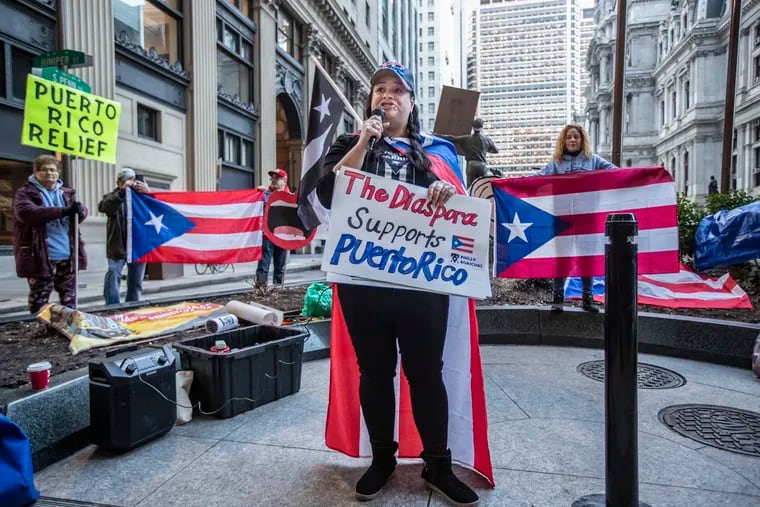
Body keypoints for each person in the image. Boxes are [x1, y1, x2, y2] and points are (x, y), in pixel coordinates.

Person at [316, 61, 481, 506]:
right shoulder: (352, 142)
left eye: (397, 90)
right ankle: (383, 460)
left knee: (426, 373)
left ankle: (438, 466)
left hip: (421, 284)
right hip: (362, 281)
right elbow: (331, 193)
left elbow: (459, 212)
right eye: (379, 90)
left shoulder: (437, 153)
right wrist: (366, 137)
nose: (386, 96)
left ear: (411, 102)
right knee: (374, 373)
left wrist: (447, 195)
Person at [536, 124, 617, 314]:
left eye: (576, 137)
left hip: (587, 218)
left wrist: (639, 175)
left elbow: (616, 172)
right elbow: (537, 179)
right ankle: (558, 298)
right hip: (561, 218)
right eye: (569, 137)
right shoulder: (556, 163)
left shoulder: (594, 161)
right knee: (561, 258)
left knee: (586, 258)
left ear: (582, 140)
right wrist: (511, 184)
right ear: (563, 141)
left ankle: (587, 298)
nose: (572, 140)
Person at [13, 154, 88, 313]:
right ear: (36, 172)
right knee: (40, 298)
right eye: (45, 170)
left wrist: (80, 212)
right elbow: (27, 213)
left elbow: (79, 214)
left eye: (53, 170)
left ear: (58, 173)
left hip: (67, 255)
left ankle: (69, 328)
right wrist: (63, 211)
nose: (50, 173)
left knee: (69, 297)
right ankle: (39, 328)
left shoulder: (66, 193)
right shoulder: (25, 193)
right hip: (40, 256)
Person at [98, 168, 151, 305]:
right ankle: (112, 306)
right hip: (117, 245)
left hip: (138, 246)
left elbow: (158, 208)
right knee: (113, 275)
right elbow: (104, 207)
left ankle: (132, 306)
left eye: (134, 180)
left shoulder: (143, 198)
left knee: (136, 281)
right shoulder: (113, 197)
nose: (131, 184)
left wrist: (148, 193)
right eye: (127, 180)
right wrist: (122, 192)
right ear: (119, 182)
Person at [255, 169, 290, 290]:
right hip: (267, 235)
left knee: (280, 265)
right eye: (272, 178)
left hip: (282, 236)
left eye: (277, 178)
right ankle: (260, 288)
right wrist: (257, 193)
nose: (273, 180)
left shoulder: (291, 197)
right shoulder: (263, 194)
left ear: (284, 181)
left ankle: (277, 288)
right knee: (263, 263)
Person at [437, 118, 498, 186]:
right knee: (482, 187)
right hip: (482, 166)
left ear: (473, 127)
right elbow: (495, 151)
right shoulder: (487, 140)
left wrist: (437, 135)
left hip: (471, 165)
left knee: (471, 188)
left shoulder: (466, 138)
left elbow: (452, 138)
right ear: (482, 127)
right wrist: (486, 149)